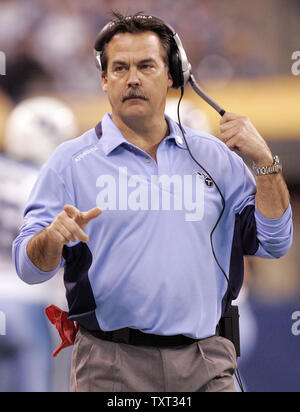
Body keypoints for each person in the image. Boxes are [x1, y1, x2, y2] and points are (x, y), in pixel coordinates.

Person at [12, 12, 293, 393]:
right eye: (120, 68)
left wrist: (265, 162)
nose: (132, 78)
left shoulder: (216, 157)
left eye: (146, 65)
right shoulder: (69, 163)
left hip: (206, 360)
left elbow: (274, 242)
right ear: (103, 79)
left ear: (173, 74)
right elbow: (29, 269)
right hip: (110, 364)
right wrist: (52, 238)